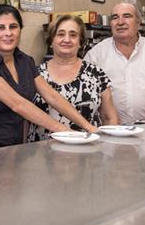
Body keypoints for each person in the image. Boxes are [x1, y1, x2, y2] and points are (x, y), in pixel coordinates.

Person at [0, 5, 100, 149]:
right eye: (0, 28)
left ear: (20, 30)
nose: (8, 33)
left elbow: (52, 96)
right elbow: (18, 104)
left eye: (13, 27)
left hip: (18, 146)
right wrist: (66, 132)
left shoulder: (25, 61)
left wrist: (89, 127)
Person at [84, 2, 145, 124]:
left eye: (127, 16)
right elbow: (85, 96)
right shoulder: (95, 55)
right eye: (115, 17)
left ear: (138, 22)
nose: (120, 22)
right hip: (110, 131)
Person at [28, 14, 119, 142]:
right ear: (51, 41)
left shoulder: (96, 74)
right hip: (41, 153)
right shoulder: (35, 74)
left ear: (81, 42)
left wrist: (110, 146)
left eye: (73, 35)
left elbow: (109, 117)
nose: (67, 39)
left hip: (88, 152)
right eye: (60, 34)